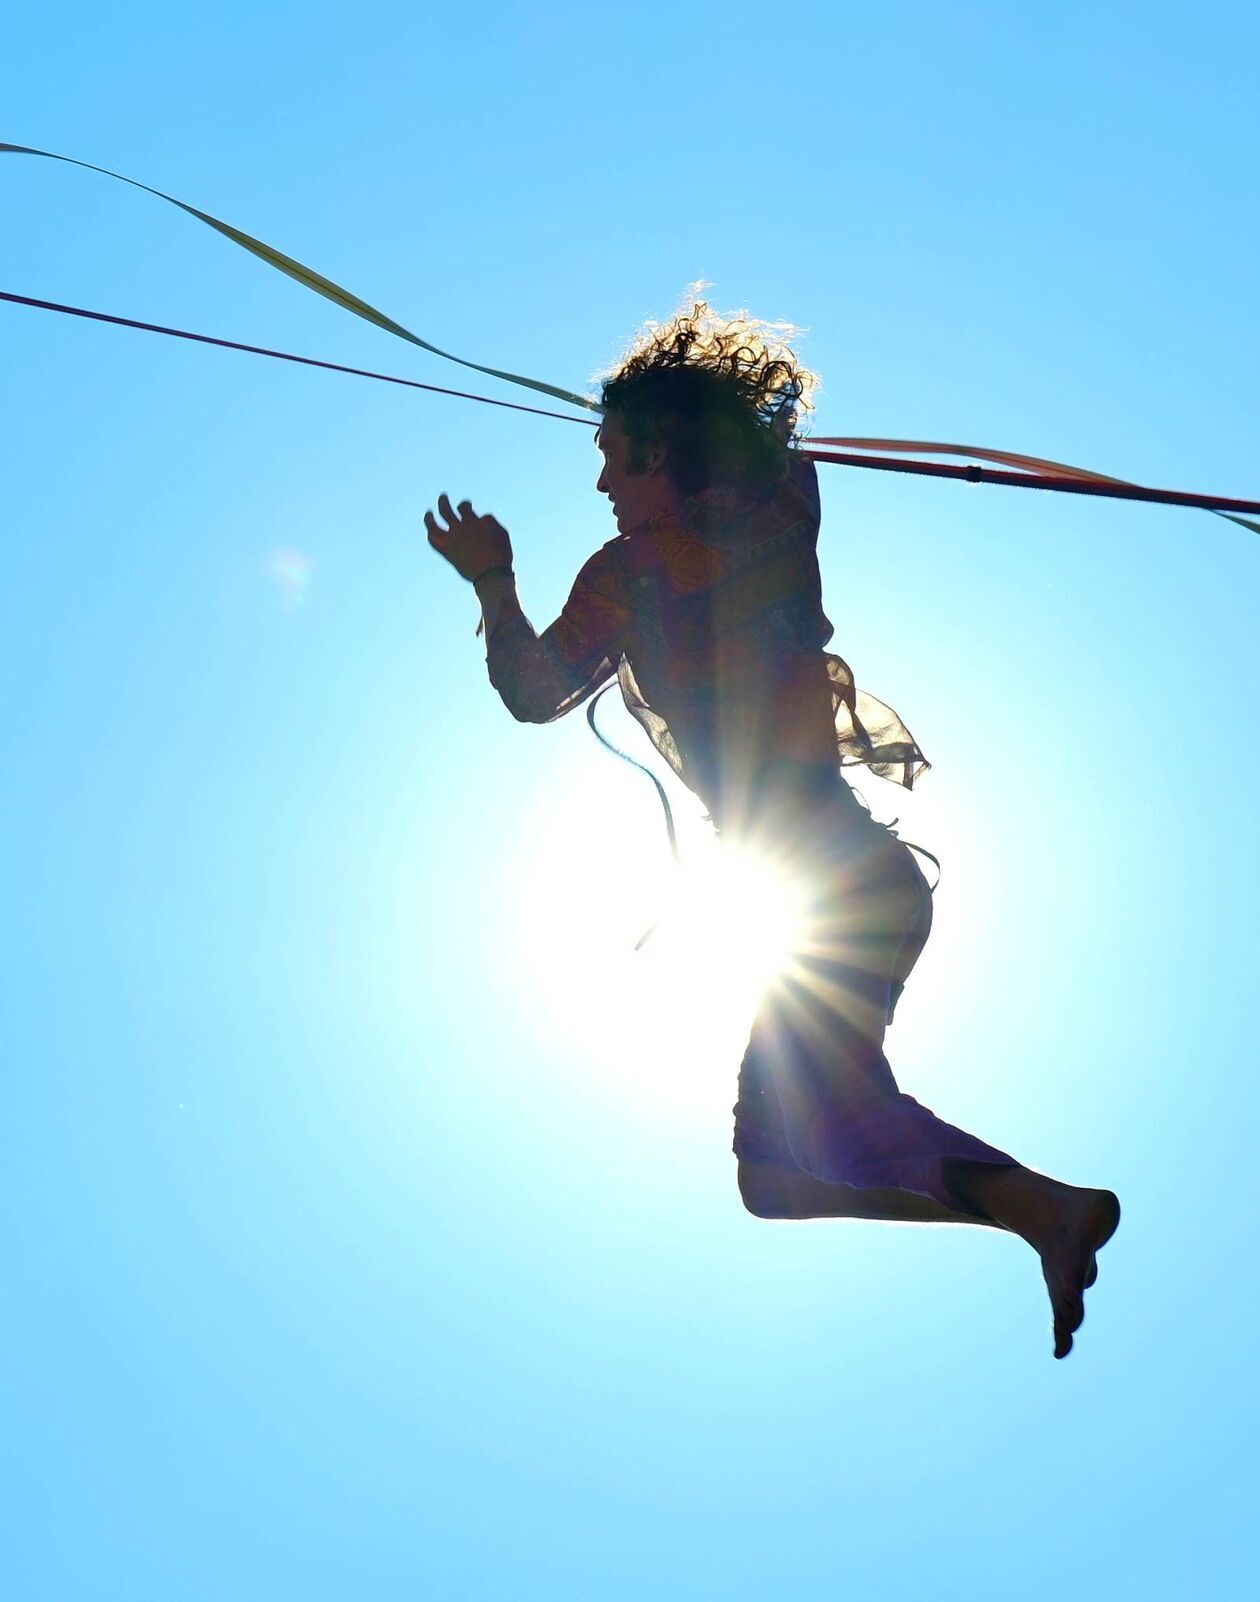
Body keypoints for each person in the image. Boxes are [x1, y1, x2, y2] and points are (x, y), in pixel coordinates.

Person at [424, 295, 1119, 1359]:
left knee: (817, 1137)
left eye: (615, 455)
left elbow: (533, 690)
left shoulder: (630, 576)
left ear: (667, 450)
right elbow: (782, 462)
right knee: (777, 1177)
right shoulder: (780, 518)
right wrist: (732, 428)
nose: (602, 481)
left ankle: (1044, 1209)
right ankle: (1031, 1215)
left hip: (826, 875)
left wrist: (493, 580)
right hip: (852, 878)